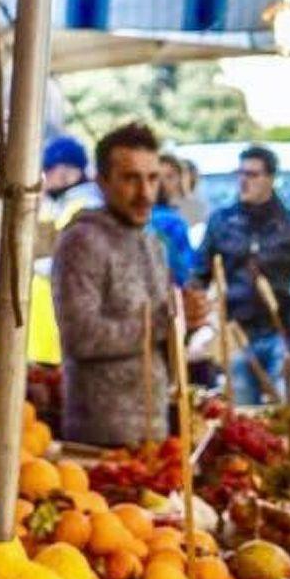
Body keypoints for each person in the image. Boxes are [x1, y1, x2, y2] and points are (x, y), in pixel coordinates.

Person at [51, 122, 179, 449]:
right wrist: (163, 322)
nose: (145, 193)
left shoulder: (152, 242)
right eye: (131, 179)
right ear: (103, 182)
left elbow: (162, 333)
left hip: (154, 431)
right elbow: (81, 336)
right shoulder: (81, 241)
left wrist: (185, 319)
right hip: (101, 440)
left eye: (152, 178)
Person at [196, 144, 290, 406]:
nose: (244, 181)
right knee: (243, 411)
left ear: (270, 179)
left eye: (252, 175)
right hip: (237, 331)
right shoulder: (222, 221)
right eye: (240, 173)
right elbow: (200, 273)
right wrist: (203, 319)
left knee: (289, 408)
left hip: (280, 331)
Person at [149, 160, 196, 288]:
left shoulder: (181, 215)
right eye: (157, 176)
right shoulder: (173, 222)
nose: (162, 183)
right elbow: (184, 272)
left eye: (169, 176)